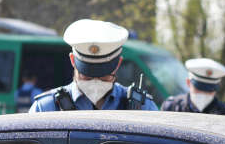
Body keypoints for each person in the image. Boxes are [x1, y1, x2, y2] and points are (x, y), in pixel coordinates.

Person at [28, 19, 158, 112]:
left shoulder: (143, 109)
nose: (95, 82)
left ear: (118, 64)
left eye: (103, 76)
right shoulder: (46, 109)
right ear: (73, 61)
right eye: (87, 75)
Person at [161, 58, 225, 115]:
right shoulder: (171, 108)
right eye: (199, 88)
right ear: (188, 83)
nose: (204, 93)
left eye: (209, 90)